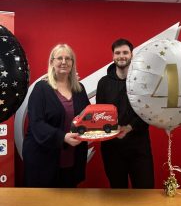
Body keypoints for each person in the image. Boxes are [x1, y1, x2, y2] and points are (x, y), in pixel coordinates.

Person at [22, 44, 90, 188]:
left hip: (72, 156)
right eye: (59, 58)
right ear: (52, 62)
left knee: (68, 203)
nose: (64, 62)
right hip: (43, 158)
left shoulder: (79, 88)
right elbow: (37, 124)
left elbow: (88, 116)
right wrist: (62, 137)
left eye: (68, 58)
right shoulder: (41, 88)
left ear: (72, 63)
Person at [96, 38, 154, 189]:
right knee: (118, 193)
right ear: (113, 56)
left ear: (132, 55)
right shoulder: (103, 83)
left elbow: (149, 111)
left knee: (144, 193)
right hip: (112, 149)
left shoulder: (143, 80)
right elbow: (100, 114)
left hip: (139, 147)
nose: (121, 56)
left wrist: (129, 127)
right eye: (118, 53)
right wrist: (111, 131)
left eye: (125, 52)